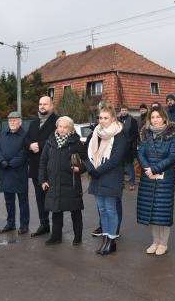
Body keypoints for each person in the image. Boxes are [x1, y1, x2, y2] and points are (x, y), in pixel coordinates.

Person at [136, 106, 175, 255]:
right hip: (148, 177)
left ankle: (163, 243)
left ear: (164, 118)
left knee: (163, 211)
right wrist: (147, 168)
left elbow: (172, 156)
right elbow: (140, 153)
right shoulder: (146, 134)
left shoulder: (172, 134)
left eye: (158, 116)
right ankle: (155, 241)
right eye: (152, 117)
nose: (155, 120)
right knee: (152, 211)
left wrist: (154, 169)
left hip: (164, 178)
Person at [85, 103, 126, 255]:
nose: (102, 121)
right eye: (100, 118)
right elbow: (88, 152)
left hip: (111, 177)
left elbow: (116, 158)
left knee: (110, 209)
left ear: (113, 118)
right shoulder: (96, 132)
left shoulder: (119, 134)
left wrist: (97, 170)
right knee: (102, 210)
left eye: (106, 118)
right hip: (97, 176)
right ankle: (106, 239)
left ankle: (112, 240)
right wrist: (90, 168)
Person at [39, 116, 86, 245]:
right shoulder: (50, 141)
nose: (62, 129)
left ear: (70, 128)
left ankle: (78, 237)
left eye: (65, 127)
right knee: (56, 210)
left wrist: (79, 169)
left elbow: (86, 160)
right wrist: (43, 180)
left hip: (71, 182)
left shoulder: (75, 142)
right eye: (60, 126)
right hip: (53, 182)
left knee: (75, 211)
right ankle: (56, 236)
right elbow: (43, 161)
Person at [25, 96, 59, 237]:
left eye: (45, 104)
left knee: (54, 198)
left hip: (51, 166)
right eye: (40, 104)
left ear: (52, 105)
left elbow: (57, 138)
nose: (42, 106)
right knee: (39, 198)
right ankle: (43, 224)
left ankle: (56, 230)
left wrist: (39, 144)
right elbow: (26, 138)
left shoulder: (58, 121)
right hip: (35, 167)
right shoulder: (34, 123)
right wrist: (29, 145)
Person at [0, 112, 31, 234]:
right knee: (9, 201)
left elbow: (24, 153)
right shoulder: (3, 134)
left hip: (19, 173)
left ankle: (24, 225)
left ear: (20, 122)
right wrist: (1, 161)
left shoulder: (25, 135)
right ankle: (10, 223)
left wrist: (10, 163)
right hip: (5, 173)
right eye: (10, 120)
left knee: (23, 201)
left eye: (15, 120)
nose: (12, 122)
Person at [118, 106, 139, 191]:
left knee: (130, 166)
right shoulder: (117, 120)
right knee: (120, 166)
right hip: (119, 147)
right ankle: (121, 183)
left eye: (125, 110)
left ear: (128, 111)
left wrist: (128, 141)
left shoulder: (133, 120)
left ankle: (132, 183)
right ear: (120, 111)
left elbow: (135, 133)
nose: (124, 112)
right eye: (122, 110)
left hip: (129, 147)